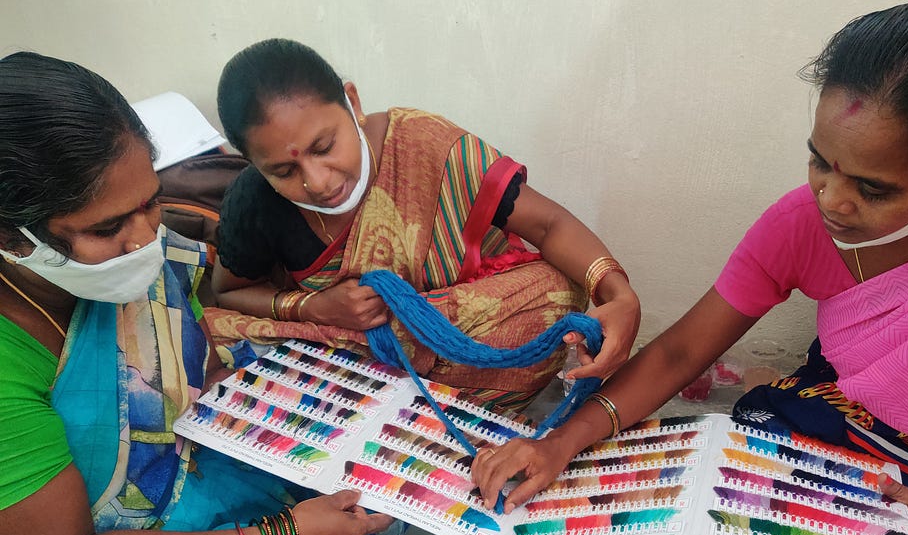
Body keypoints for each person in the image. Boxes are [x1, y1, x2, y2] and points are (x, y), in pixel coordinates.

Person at [472, 0, 908, 535]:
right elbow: (679, 356)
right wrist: (556, 443)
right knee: (688, 490)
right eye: (819, 162)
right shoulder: (800, 225)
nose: (832, 199)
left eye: (873, 188)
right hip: (855, 428)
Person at [0, 52, 401, 535]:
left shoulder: (140, 259)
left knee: (369, 459)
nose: (146, 236)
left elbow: (193, 364)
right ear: (14, 237)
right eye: (107, 229)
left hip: (182, 480)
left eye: (150, 200)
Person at [208, 39, 641, 410]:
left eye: (325, 146)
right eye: (284, 172)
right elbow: (228, 292)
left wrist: (619, 295)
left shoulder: (426, 145)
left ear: (353, 104)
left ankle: (375, 406)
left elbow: (549, 226)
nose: (318, 182)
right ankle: (399, 410)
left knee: (557, 292)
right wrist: (310, 307)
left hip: (454, 333)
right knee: (207, 336)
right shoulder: (254, 201)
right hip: (338, 339)